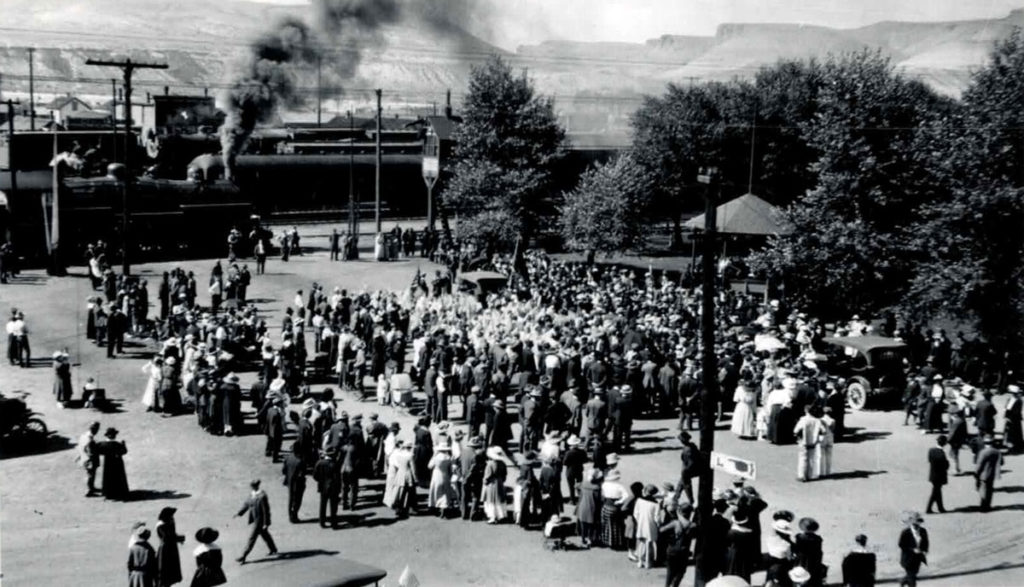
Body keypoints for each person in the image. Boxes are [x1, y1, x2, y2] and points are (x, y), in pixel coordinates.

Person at [234, 479, 278, 564]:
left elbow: (266, 511)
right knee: (265, 535)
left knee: (252, 538)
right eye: (251, 486)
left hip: (260, 521)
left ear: (257, 486)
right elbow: (246, 504)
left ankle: (243, 555)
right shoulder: (252, 495)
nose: (252, 488)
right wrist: (239, 513)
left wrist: (266, 523)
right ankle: (273, 549)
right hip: (255, 519)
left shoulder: (262, 496)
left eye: (253, 486)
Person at [661, 503, 695, 587]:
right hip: (684, 551)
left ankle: (667, 585)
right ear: (690, 513)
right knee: (681, 571)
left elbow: (662, 530)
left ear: (680, 511)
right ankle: (675, 585)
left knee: (670, 570)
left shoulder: (675, 523)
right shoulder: (693, 525)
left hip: (672, 549)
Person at [633, 484, 662, 569]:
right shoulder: (656, 504)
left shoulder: (639, 500)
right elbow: (657, 518)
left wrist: (639, 521)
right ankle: (648, 562)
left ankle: (640, 561)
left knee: (641, 542)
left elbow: (636, 513)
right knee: (649, 544)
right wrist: (658, 525)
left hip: (641, 524)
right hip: (651, 525)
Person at [427, 440, 457, 518]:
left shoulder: (436, 457)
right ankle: (444, 507)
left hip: (436, 474)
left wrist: (433, 456)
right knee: (445, 492)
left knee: (436, 492)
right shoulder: (448, 458)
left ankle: (436, 506)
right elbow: (450, 469)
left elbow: (429, 466)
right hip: (445, 475)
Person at [156, 507, 185, 587]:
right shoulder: (160, 526)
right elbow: (167, 537)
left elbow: (172, 533)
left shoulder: (169, 522)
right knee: (165, 570)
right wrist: (179, 538)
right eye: (171, 516)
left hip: (171, 548)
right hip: (165, 550)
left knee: (171, 570)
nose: (172, 517)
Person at [898, 511, 928, 587]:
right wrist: (912, 550)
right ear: (911, 524)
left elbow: (926, 542)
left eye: (917, 523)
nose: (915, 526)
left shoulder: (923, 531)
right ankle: (908, 581)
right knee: (912, 580)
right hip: (908, 559)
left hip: (918, 559)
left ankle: (904, 580)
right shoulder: (905, 533)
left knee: (914, 573)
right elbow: (901, 545)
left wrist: (925, 550)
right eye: (914, 524)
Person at [793, 405, 823, 482]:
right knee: (811, 458)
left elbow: (796, 430)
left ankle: (802, 475)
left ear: (806, 411)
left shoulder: (803, 420)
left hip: (804, 441)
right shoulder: (817, 420)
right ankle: (810, 475)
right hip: (813, 442)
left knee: (803, 458)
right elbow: (823, 430)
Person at [313, 451, 341, 529]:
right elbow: (338, 478)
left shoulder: (319, 463)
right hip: (333, 488)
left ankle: (322, 522)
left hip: (322, 487)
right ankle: (333, 523)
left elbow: (315, 476)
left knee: (323, 505)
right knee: (333, 506)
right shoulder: (335, 464)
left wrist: (320, 480)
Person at [100, 427, 130, 500]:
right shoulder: (117, 444)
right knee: (118, 478)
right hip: (117, 463)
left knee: (108, 477)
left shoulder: (102, 444)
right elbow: (124, 451)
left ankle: (108, 494)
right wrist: (124, 445)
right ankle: (119, 493)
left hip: (108, 463)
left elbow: (99, 451)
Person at [793, 517, 824, 587]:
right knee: (814, 575)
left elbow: (797, 550)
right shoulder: (818, 539)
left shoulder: (799, 537)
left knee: (800, 574)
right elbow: (820, 552)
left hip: (801, 560)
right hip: (814, 560)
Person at [975, 435, 1003, 512]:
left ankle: (983, 507)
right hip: (992, 474)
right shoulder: (997, 452)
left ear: (985, 443)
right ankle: (988, 505)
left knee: (983, 490)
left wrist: (976, 472)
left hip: (983, 474)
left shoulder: (983, 452)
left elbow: (979, 465)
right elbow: (1002, 462)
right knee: (990, 490)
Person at [481, 445, 509, 524]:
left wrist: (485, 482)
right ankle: (501, 515)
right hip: (500, 482)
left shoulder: (490, 464)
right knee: (500, 499)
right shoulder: (502, 463)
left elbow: (487, 476)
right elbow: (505, 474)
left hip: (492, 483)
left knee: (491, 500)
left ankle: (492, 517)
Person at [576, 468, 602, 547]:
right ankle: (590, 539)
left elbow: (576, 485)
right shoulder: (597, 488)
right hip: (592, 507)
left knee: (583, 524)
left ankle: (583, 538)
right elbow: (598, 500)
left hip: (582, 506)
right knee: (592, 525)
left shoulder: (583, 484)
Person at [281, 442, 306, 523]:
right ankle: (294, 515)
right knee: (297, 500)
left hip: (289, 482)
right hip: (298, 483)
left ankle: (290, 515)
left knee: (291, 499)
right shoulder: (300, 461)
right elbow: (302, 474)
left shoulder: (288, 458)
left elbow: (284, 470)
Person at [77, 421, 102, 497]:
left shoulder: (84, 435)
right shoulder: (89, 438)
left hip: (85, 457)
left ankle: (91, 487)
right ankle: (89, 490)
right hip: (90, 459)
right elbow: (91, 451)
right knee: (90, 475)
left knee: (91, 474)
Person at [926, 435, 949, 514]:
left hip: (933, 474)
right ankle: (929, 508)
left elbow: (929, 460)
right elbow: (945, 466)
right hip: (940, 476)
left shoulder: (931, 450)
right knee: (936, 492)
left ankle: (940, 508)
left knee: (937, 491)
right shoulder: (942, 454)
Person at [1006, 385, 1024, 454]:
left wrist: (1009, 417)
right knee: (1011, 434)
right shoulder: (1011, 399)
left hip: (1014, 420)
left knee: (1013, 434)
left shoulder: (1018, 401)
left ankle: (1014, 448)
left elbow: (1016, 412)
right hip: (1011, 419)